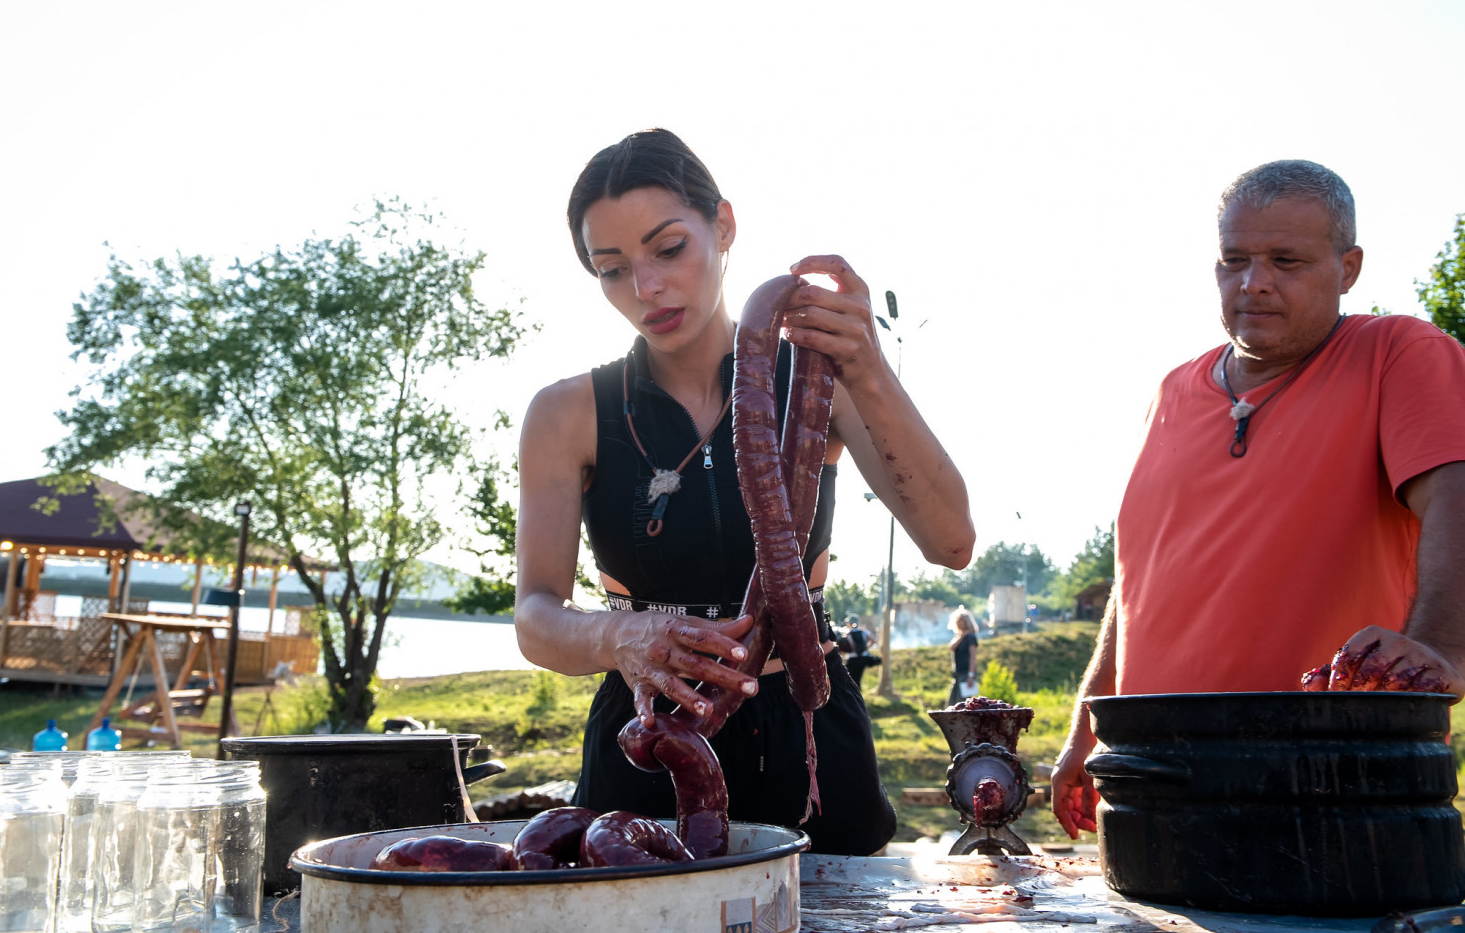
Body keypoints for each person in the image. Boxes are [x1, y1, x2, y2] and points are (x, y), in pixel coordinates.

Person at [514, 128, 976, 856]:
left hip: (810, 734)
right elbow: (534, 616)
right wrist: (619, 634)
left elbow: (952, 540)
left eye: (668, 249)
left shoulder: (816, 378)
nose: (646, 288)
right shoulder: (567, 412)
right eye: (611, 269)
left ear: (722, 225)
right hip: (648, 747)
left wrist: (871, 369)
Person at [1051, 159, 1465, 840]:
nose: (1255, 282)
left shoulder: (1397, 353)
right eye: (1234, 259)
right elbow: (1136, 584)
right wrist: (1089, 725)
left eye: (1286, 260)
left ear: (1349, 267)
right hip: (1158, 787)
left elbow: (1456, 493)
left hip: (1334, 787)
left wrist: (1439, 647)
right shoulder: (1172, 391)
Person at [947, 607, 980, 703]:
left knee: (963, 703)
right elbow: (952, 647)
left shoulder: (971, 637)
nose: (960, 623)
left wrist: (971, 675)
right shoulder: (959, 637)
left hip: (966, 674)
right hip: (957, 674)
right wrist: (962, 635)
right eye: (959, 620)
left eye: (963, 621)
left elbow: (973, 658)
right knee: (952, 702)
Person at [844, 616, 880, 686]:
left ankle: (853, 695)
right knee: (858, 679)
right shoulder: (863, 632)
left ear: (850, 623)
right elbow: (873, 640)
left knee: (850, 680)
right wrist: (865, 648)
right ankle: (859, 694)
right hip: (863, 658)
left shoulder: (847, 633)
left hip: (852, 659)